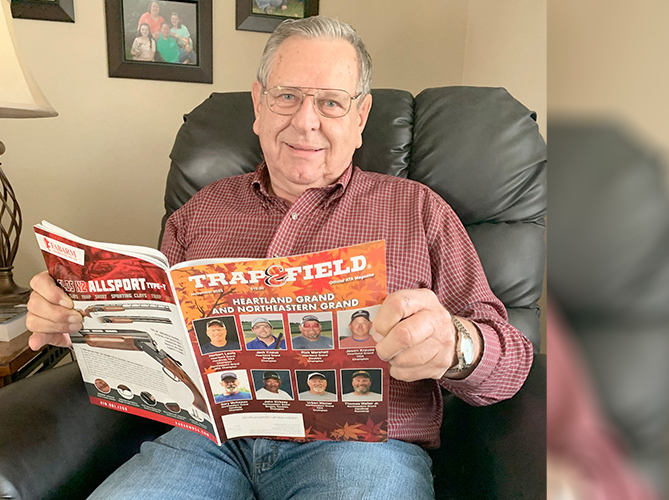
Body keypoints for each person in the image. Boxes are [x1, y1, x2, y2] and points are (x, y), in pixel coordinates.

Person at [27, 16, 533, 499]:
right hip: (205, 447)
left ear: (361, 116)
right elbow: (155, 358)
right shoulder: (197, 214)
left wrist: (456, 345)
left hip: (359, 450)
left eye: (331, 103)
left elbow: (512, 362)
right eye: (287, 96)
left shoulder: (419, 210)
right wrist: (80, 325)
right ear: (258, 104)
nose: (305, 121)